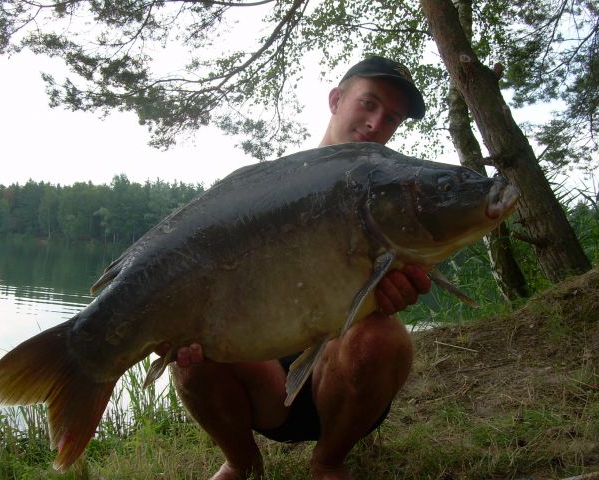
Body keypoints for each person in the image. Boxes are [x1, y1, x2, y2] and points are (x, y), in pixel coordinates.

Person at [167, 56, 431, 480]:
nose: (376, 122)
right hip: (264, 386)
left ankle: (329, 462)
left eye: (392, 117)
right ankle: (241, 462)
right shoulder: (270, 189)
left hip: (340, 386)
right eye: (369, 103)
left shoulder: (399, 196)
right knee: (187, 353)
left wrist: (392, 295)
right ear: (336, 99)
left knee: (381, 336)